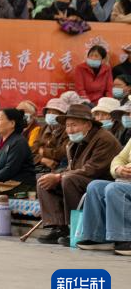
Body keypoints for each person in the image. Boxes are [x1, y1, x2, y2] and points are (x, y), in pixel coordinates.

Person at [35, 103, 122, 245]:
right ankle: (58, 228)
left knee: (68, 179)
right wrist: (57, 175)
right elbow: (72, 168)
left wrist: (59, 177)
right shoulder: (73, 142)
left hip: (101, 181)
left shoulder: (104, 139)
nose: (70, 130)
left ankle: (77, 228)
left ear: (88, 125)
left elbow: (92, 169)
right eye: (67, 126)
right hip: (82, 178)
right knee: (43, 179)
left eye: (74, 125)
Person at [76, 136, 131, 254]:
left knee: (114, 189)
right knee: (95, 186)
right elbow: (119, 158)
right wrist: (118, 169)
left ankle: (126, 237)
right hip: (126, 182)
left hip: (124, 185)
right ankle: (98, 237)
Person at [33, 97, 70, 174]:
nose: (50, 115)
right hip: (41, 165)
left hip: (60, 167)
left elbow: (62, 153)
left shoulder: (67, 130)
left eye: (54, 113)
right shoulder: (43, 129)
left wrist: (43, 151)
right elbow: (33, 149)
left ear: (62, 115)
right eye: (49, 112)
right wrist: (42, 159)